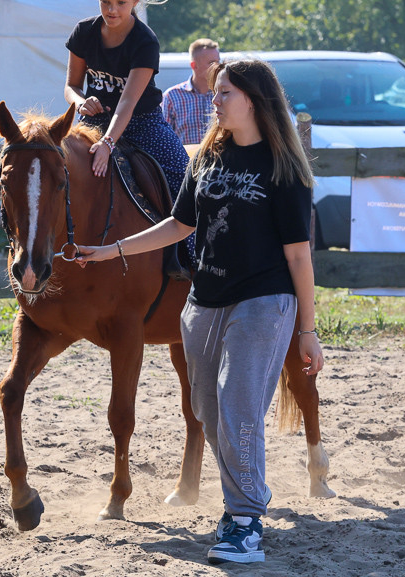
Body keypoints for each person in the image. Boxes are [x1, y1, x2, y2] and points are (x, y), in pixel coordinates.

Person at [75, 58, 324, 565]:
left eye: (224, 92)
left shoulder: (284, 170)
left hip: (264, 302)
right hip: (203, 302)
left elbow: (299, 255)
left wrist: (307, 330)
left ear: (251, 100)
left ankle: (245, 520)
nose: (214, 100)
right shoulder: (207, 157)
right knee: (207, 411)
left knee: (236, 407)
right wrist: (111, 250)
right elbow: (177, 226)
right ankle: (244, 504)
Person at [64, 0, 193, 259]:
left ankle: (192, 263)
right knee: (51, 168)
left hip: (143, 122)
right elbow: (70, 87)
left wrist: (108, 143)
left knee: (184, 177)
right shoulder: (83, 33)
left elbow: (128, 102)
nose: (112, 10)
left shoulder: (145, 41)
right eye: (104, 2)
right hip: (92, 122)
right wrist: (82, 102)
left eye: (121, 2)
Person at [160, 38, 222, 145]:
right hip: (187, 160)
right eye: (212, 63)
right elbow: (164, 138)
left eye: (218, 62)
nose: (217, 67)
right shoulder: (172, 96)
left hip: (220, 160)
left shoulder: (224, 94)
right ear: (194, 65)